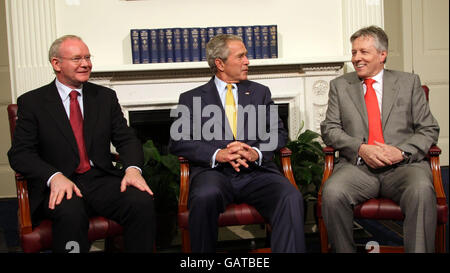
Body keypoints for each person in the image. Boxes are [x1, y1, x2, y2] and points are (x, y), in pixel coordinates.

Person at [8, 35, 156, 253]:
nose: (86, 64)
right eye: (77, 58)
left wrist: (133, 169)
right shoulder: (32, 102)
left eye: (87, 57)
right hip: (60, 182)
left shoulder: (104, 97)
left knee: (141, 201)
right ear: (56, 64)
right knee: (71, 213)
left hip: (100, 179)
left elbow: (126, 138)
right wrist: (54, 177)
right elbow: (20, 154)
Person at [169, 34, 305, 253]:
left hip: (257, 172)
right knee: (204, 196)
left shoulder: (260, 92)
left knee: (290, 197)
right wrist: (218, 154)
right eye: (241, 56)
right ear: (220, 63)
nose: (247, 61)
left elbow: (278, 133)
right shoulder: (191, 98)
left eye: (246, 55)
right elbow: (178, 140)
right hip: (214, 173)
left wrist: (255, 153)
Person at [320, 26, 440, 253]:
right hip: (358, 168)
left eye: (363, 52)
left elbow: (428, 128)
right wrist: (360, 148)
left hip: (403, 167)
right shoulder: (340, 86)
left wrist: (401, 152)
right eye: (354, 52)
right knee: (333, 192)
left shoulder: (409, 83)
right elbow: (330, 129)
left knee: (422, 190)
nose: (356, 58)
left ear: (382, 55)